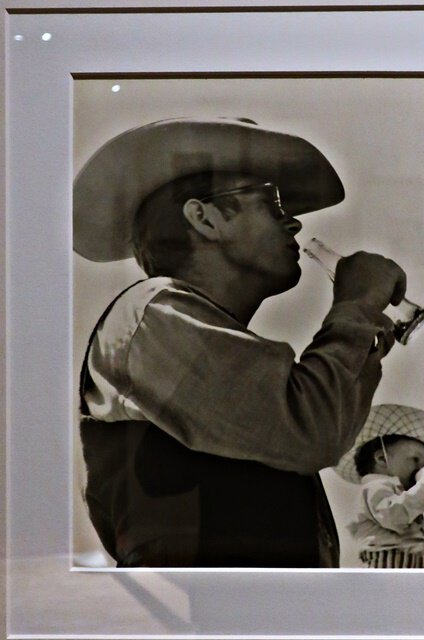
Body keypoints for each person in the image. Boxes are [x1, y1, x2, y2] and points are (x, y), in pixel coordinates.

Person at [74, 117, 406, 568]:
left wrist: (359, 330)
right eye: (271, 202)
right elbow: (312, 429)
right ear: (204, 218)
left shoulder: (185, 333)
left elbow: (317, 428)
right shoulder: (152, 311)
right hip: (198, 610)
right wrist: (356, 307)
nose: (293, 223)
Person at [334, 404, 424, 568]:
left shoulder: (399, 494)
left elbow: (408, 534)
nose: (420, 469)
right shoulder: (375, 487)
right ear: (382, 459)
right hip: (384, 563)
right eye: (415, 459)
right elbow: (395, 517)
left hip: (407, 562)